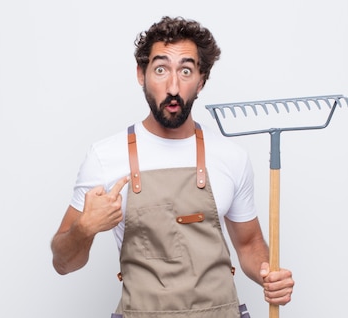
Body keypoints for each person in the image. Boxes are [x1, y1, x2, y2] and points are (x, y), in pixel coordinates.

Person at [50, 16, 294, 317]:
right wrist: (84, 229)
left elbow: (249, 244)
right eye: (161, 69)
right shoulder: (105, 158)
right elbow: (62, 263)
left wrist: (268, 274)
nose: (173, 86)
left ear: (201, 79)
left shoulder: (231, 157)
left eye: (186, 71)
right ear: (141, 74)